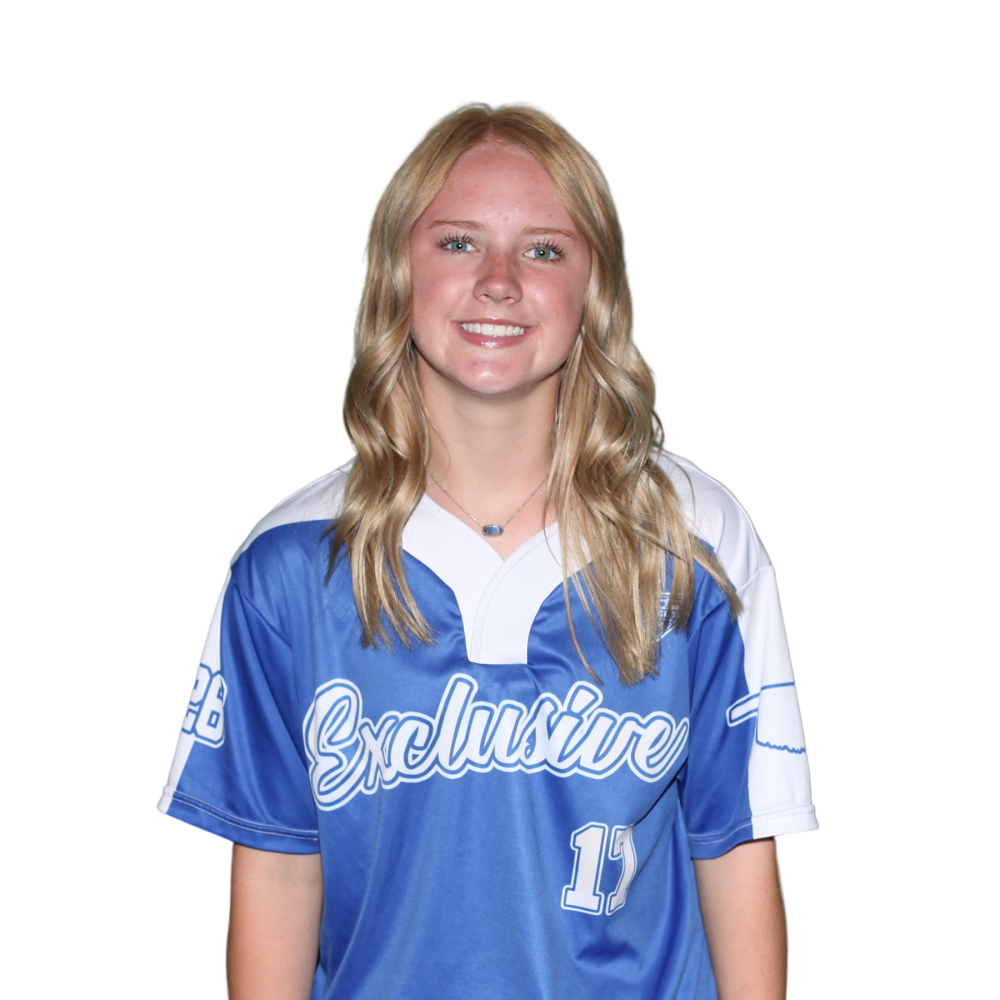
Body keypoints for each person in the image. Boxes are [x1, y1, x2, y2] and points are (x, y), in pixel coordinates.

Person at [156, 100, 818, 1000]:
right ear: (392, 271)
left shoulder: (699, 536)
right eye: (459, 242)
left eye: (544, 250)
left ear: (597, 288)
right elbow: (278, 868)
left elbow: (735, 848)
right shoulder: (289, 561)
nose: (499, 281)